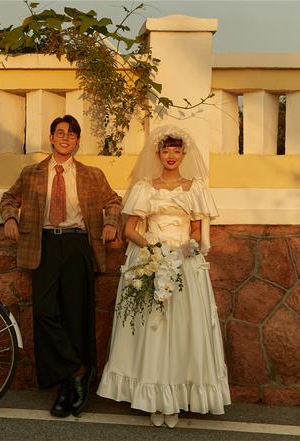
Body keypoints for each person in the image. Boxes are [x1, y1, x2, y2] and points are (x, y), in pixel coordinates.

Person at [97, 125, 231, 428]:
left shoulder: (195, 187)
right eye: (166, 150)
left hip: (184, 263)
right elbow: (131, 229)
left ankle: (175, 399)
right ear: (158, 153)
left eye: (176, 150)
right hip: (150, 258)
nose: (171, 155)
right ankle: (154, 398)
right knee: (152, 330)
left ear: (184, 154)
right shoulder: (145, 187)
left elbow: (197, 231)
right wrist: (154, 250)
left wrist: (182, 252)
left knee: (183, 331)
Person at [0, 114, 122, 418]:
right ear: (51, 138)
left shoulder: (92, 174)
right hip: (44, 245)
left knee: (76, 317)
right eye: (60, 132)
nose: (65, 137)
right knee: (44, 313)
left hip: (78, 244)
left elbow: (114, 201)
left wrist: (110, 224)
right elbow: (8, 198)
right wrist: (11, 217)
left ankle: (69, 390)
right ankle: (78, 371)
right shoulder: (32, 173)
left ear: (77, 141)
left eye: (71, 134)